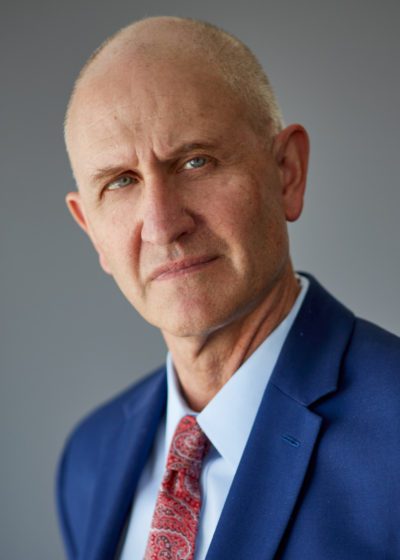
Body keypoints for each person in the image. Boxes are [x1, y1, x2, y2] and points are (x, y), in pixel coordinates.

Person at [57, 16, 400, 560]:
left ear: (287, 172)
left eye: (196, 161)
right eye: (120, 182)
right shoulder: (89, 460)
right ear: (90, 228)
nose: (163, 224)